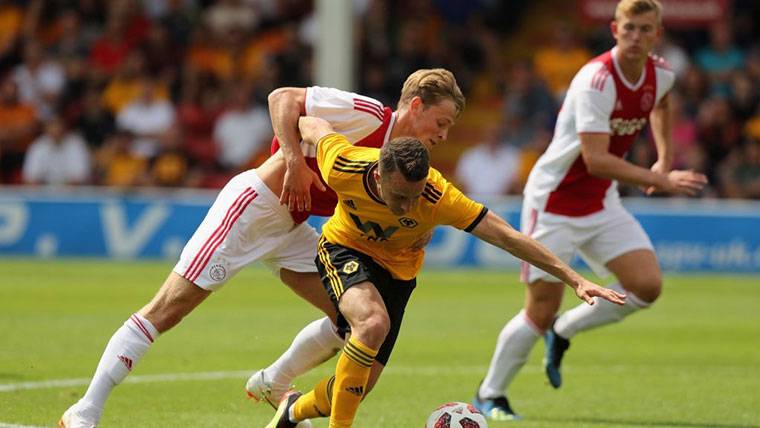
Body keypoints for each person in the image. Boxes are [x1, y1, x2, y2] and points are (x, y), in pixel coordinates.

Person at [58, 68, 465, 427]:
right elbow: (282, 98)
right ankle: (84, 411)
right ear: (415, 105)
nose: (444, 135)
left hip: (292, 228)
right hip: (253, 210)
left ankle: (274, 382)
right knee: (169, 309)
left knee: (359, 323)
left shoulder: (399, 164)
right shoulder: (368, 115)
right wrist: (292, 161)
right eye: (442, 122)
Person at [265, 116, 626, 428]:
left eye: (415, 195)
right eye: (400, 196)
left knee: (354, 387)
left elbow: (508, 236)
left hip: (399, 274)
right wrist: (294, 159)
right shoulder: (346, 164)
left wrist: (573, 277)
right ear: (379, 173)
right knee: (372, 324)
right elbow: (309, 123)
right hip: (344, 248)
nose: (409, 205)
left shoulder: (438, 196)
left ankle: (292, 411)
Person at [471, 0, 708, 421]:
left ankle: (565, 331)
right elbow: (595, 158)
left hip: (601, 201)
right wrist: (660, 180)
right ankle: (490, 394)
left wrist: (664, 159)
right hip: (554, 203)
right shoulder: (596, 81)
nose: (636, 36)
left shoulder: (662, 74)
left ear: (658, 34)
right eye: (629, 28)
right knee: (539, 311)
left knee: (647, 286)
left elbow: (662, 104)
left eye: (645, 29)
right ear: (615, 30)